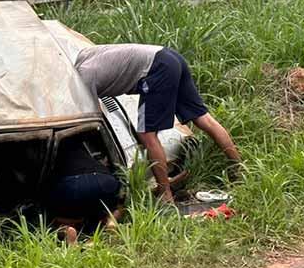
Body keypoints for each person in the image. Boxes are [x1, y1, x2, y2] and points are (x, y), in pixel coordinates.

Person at [75, 44, 241, 202]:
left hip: (156, 69)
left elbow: (96, 121)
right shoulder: (84, 56)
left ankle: (165, 194)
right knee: (204, 119)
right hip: (169, 56)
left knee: (146, 134)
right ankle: (240, 170)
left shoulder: (82, 78)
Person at [43, 136, 123, 239]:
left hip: (74, 184)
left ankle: (67, 229)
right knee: (113, 207)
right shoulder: (83, 150)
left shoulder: (50, 154)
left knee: (53, 217)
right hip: (105, 179)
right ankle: (110, 220)